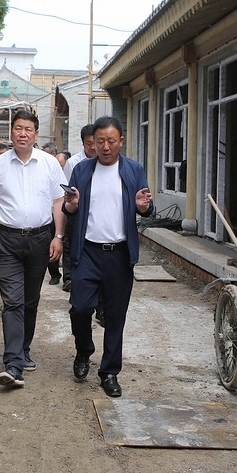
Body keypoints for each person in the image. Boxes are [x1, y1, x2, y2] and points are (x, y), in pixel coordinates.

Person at [62, 116, 154, 398]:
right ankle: (83, 350)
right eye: (99, 141)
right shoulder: (82, 170)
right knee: (80, 308)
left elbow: (146, 208)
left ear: (120, 141)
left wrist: (142, 207)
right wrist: (71, 205)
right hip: (87, 251)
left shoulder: (133, 170)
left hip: (119, 254)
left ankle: (110, 372)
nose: (104, 146)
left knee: (115, 316)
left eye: (110, 141)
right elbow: (70, 209)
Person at [0, 110, 67, 388]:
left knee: (30, 300)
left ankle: (23, 349)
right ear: (11, 132)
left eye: (28, 129)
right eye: (18, 128)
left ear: (36, 134)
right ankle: (13, 363)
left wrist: (58, 236)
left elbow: (58, 202)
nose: (22, 134)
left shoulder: (50, 164)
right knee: (13, 302)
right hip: (7, 241)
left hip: (40, 239)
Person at [60, 124, 97, 293]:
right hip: (75, 210)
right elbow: (66, 187)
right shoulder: (73, 163)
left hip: (95, 212)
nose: (93, 147)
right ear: (83, 143)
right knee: (70, 242)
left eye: (95, 142)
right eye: (89, 143)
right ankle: (68, 277)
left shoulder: (105, 162)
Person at [40, 141, 62, 285]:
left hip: (59, 212)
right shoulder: (39, 167)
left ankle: (59, 274)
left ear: (54, 154)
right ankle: (53, 272)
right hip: (45, 213)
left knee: (57, 241)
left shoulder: (59, 166)